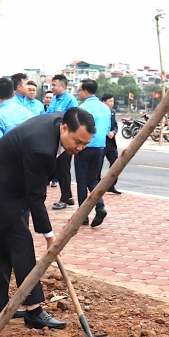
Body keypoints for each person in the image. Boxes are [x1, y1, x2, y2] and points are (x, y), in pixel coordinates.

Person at [0, 108, 96, 330]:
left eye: (85, 144)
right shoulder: (42, 148)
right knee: (22, 245)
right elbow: (37, 197)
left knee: (2, 247)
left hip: (9, 186)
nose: (80, 148)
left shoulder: (58, 123)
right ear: (64, 128)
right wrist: (49, 236)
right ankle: (34, 310)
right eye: (78, 141)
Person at [74, 79, 112, 227]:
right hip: (100, 148)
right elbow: (107, 128)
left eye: (79, 91)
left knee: (82, 182)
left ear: (85, 91)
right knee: (94, 179)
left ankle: (83, 215)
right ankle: (100, 206)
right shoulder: (105, 108)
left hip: (84, 147)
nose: (79, 94)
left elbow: (79, 129)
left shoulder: (82, 108)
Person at [47, 75, 78, 208]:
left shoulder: (70, 100)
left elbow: (74, 120)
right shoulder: (54, 99)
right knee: (59, 169)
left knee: (63, 168)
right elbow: (48, 114)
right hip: (55, 138)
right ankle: (68, 196)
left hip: (66, 140)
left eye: (54, 85)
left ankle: (65, 198)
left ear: (63, 86)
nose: (52, 87)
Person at [100, 94, 121, 194]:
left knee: (116, 164)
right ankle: (97, 186)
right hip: (101, 142)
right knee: (98, 165)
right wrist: (105, 133)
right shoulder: (99, 112)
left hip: (111, 143)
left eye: (113, 101)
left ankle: (111, 185)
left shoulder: (113, 112)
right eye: (109, 101)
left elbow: (115, 126)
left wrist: (113, 132)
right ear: (104, 102)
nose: (112, 103)